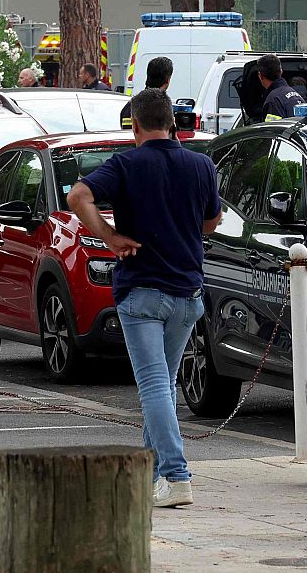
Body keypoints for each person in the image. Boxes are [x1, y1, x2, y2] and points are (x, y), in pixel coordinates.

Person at [67, 90, 220, 509]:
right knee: (164, 385)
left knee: (153, 385)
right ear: (172, 123)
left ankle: (176, 474)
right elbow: (212, 220)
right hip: (187, 292)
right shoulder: (201, 165)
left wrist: (109, 236)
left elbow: (78, 197)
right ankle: (151, 476)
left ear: (134, 125)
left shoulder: (125, 164)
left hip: (142, 292)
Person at [257, 54, 302, 121]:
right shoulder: (295, 94)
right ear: (281, 71)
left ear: (260, 75)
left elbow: (273, 127)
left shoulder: (273, 101)